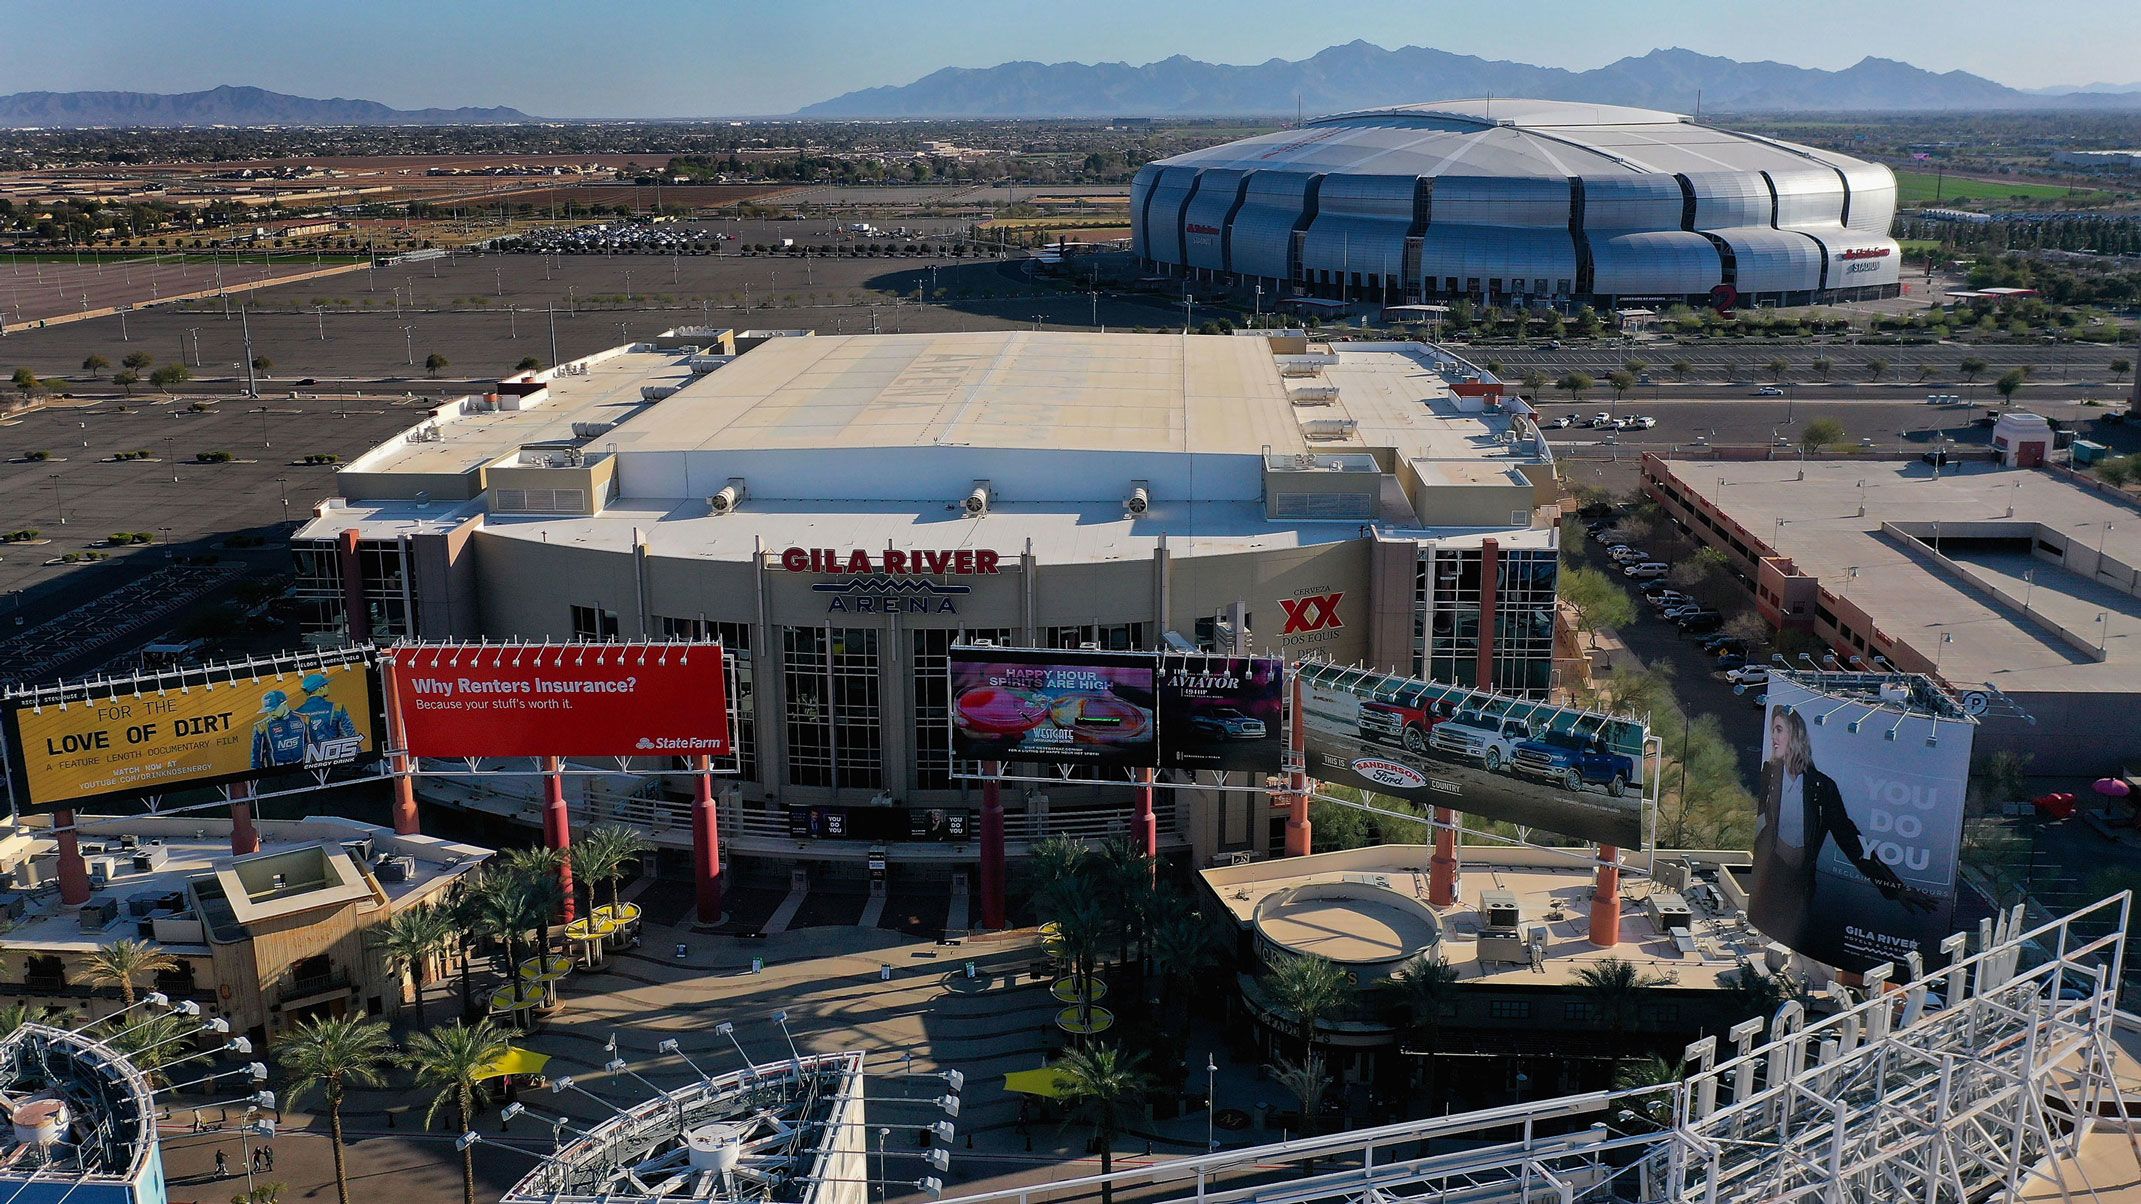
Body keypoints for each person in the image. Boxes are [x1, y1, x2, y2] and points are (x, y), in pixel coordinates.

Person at [1750, 706, 1937, 952]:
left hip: (1800, 884)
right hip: (1769, 875)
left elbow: (1851, 841)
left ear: (1795, 736)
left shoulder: (1823, 788)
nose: (1773, 737)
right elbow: (1762, 822)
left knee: (1794, 943)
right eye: (1772, 729)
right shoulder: (1770, 774)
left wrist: (1895, 887)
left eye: (1779, 730)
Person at [291, 671, 359, 762]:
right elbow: (350, 736)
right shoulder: (337, 708)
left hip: (309, 762)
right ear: (320, 688)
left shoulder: (296, 713)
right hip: (334, 759)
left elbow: (294, 745)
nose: (328, 687)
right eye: (326, 685)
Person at [248, 689, 307, 769]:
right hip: (277, 773)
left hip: (302, 767)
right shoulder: (261, 726)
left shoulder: (302, 719)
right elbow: (256, 757)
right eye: (268, 711)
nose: (271, 713)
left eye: (274, 709)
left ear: (285, 703)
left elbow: (311, 744)